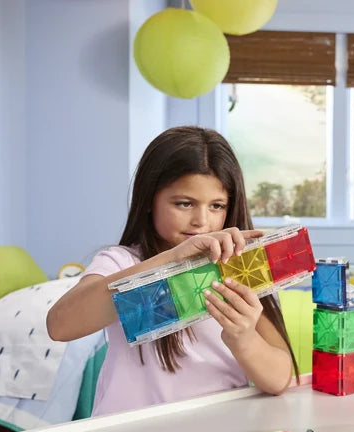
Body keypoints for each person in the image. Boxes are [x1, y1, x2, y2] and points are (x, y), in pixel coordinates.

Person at [47, 126, 298, 416]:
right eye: (184, 203)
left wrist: (244, 339)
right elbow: (60, 325)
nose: (201, 221)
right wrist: (170, 260)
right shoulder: (121, 262)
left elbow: (279, 379)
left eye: (217, 206)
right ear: (150, 200)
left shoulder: (242, 268)